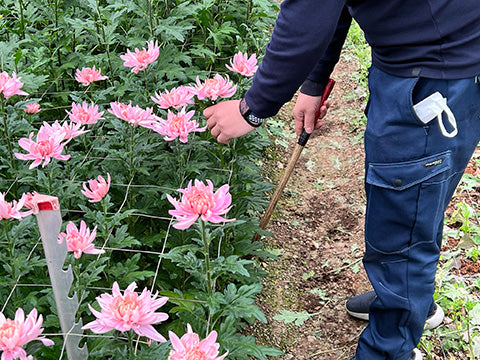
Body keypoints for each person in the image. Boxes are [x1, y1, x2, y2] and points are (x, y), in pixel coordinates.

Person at [204, 1, 480, 360]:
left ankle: (389, 346)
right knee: (417, 204)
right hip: (433, 57)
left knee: (404, 222)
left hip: (433, 79)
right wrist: (315, 79)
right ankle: (406, 301)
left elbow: (309, 12)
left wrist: (253, 108)